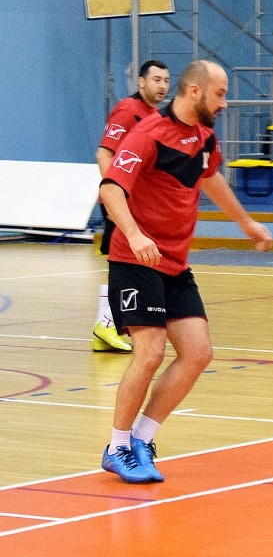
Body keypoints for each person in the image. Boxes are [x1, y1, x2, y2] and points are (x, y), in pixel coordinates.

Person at [99, 60, 273, 483]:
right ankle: (117, 446)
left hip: (174, 263)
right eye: (220, 94)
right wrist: (137, 234)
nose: (226, 103)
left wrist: (246, 223)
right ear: (194, 92)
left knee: (198, 353)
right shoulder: (147, 133)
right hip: (135, 259)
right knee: (151, 353)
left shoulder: (204, 138)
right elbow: (110, 189)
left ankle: (142, 437)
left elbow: (211, 180)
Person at [93, 59, 171, 352]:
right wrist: (116, 195)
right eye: (156, 80)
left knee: (133, 264)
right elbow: (104, 153)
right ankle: (107, 324)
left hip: (139, 203)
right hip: (122, 203)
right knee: (124, 262)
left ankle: (107, 326)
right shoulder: (128, 111)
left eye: (166, 80)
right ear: (141, 82)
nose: (162, 86)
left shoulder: (157, 116)